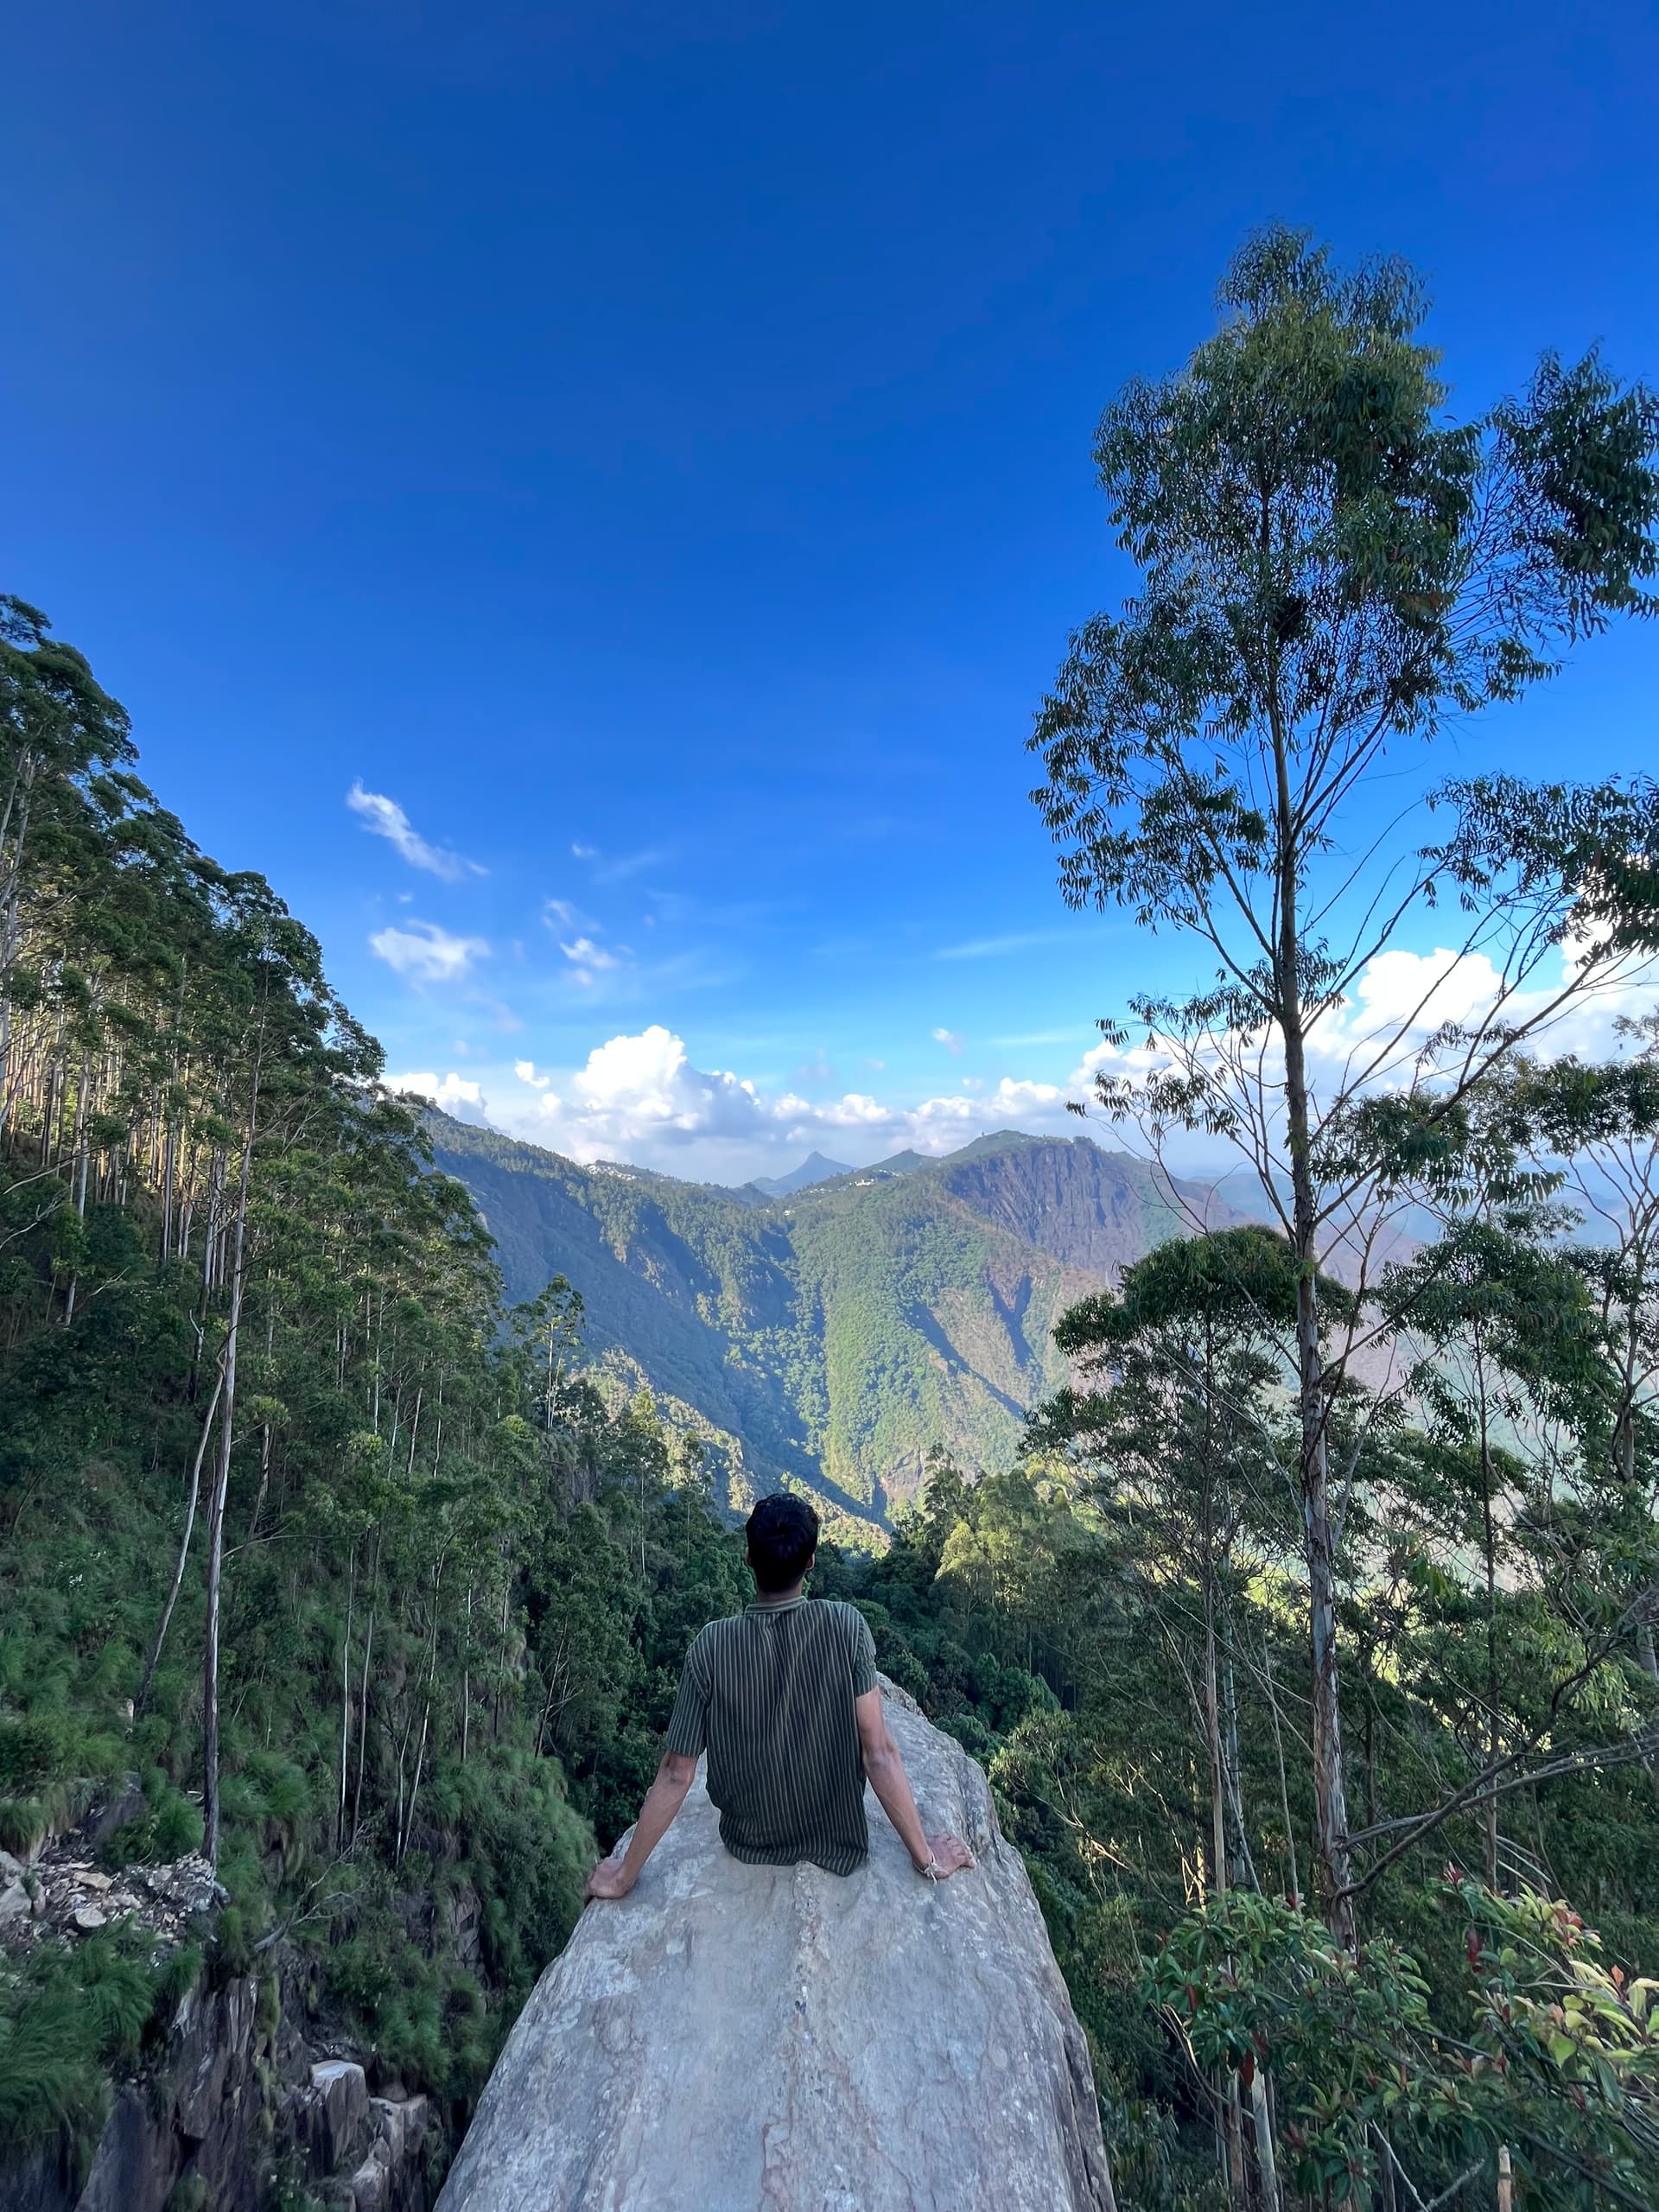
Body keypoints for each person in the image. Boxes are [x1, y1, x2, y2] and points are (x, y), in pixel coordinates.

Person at [584, 1491, 975, 1900]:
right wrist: (926, 1857)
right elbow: (878, 1753)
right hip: (835, 1840)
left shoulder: (712, 1645)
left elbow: (676, 1773)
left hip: (748, 1838)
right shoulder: (846, 1627)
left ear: (749, 1559)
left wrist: (623, 1875)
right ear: (810, 1562)